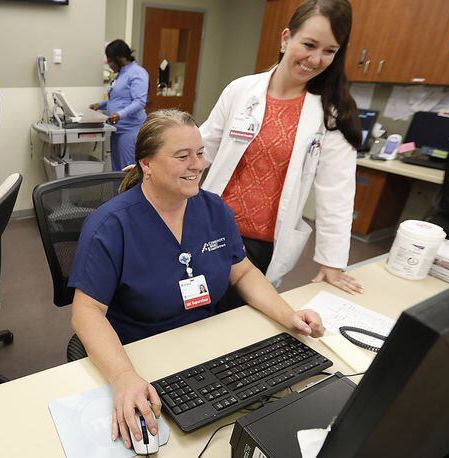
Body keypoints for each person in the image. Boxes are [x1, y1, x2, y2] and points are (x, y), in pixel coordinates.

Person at [68, 109, 325, 449]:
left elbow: (243, 270)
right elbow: (86, 312)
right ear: (147, 164)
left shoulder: (214, 209)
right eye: (182, 156)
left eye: (200, 153)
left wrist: (287, 314)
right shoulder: (110, 226)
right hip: (139, 352)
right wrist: (123, 377)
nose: (198, 165)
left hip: (205, 348)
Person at [200, 0, 363, 295]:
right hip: (209, 229)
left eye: (329, 51)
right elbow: (204, 144)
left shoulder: (331, 114)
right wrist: (159, 164)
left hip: (261, 246)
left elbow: (337, 192)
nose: (315, 59)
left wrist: (332, 261)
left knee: (236, 324)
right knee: (185, 309)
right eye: (309, 45)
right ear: (286, 38)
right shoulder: (241, 90)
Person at [90, 39, 149, 172]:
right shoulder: (120, 75)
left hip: (130, 130)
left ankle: (129, 193)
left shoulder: (137, 73)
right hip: (117, 129)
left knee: (127, 170)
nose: (109, 65)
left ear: (121, 58)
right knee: (117, 170)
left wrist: (119, 114)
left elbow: (139, 102)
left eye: (111, 61)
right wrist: (99, 105)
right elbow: (118, 98)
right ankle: (120, 193)